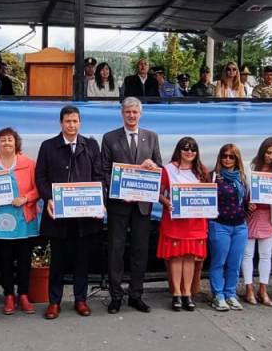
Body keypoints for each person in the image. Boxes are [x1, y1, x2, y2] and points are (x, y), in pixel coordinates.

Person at [35, 106, 104, 319]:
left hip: (84, 216)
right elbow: (40, 177)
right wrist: (49, 198)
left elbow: (99, 176)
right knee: (57, 261)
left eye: (75, 121)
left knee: (82, 260)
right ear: (61, 123)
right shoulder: (48, 146)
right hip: (58, 216)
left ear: (80, 123)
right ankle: (54, 302)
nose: (71, 125)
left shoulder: (90, 145)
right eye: (67, 121)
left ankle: (80, 300)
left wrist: (99, 201)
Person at [101, 97, 162, 314]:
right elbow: (104, 171)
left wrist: (153, 166)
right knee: (116, 251)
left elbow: (159, 168)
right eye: (128, 112)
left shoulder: (152, 137)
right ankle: (116, 296)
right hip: (119, 204)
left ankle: (136, 295)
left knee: (140, 251)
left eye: (135, 112)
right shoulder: (109, 138)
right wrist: (119, 191)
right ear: (122, 114)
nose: (131, 115)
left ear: (140, 114)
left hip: (142, 205)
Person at [0, 127, 40, 315]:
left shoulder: (29, 163)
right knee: (4, 260)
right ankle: (8, 295)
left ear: (16, 143)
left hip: (24, 218)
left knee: (24, 259)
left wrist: (26, 198)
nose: (7, 143)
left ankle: (23, 295)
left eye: (10, 139)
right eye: (3, 140)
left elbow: (39, 188)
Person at [156, 137, 208, 311]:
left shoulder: (201, 170)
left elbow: (208, 194)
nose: (189, 152)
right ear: (179, 150)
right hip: (175, 222)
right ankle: (176, 293)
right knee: (176, 257)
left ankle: (187, 293)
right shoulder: (168, 169)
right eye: (186, 149)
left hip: (195, 222)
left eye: (193, 149)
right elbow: (158, 192)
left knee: (190, 257)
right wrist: (167, 202)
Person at [241, 137, 272, 307]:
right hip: (251, 216)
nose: (270, 156)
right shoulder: (248, 167)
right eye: (268, 152)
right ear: (262, 151)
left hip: (269, 216)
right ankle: (249, 289)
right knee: (247, 254)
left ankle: (263, 290)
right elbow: (241, 190)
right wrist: (246, 202)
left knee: (266, 255)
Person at [208, 143, 250, 311]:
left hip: (240, 226)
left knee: (234, 263)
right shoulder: (213, 177)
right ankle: (218, 295)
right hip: (220, 225)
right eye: (224, 156)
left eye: (231, 156)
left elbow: (245, 201)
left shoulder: (242, 178)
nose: (227, 159)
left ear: (236, 159)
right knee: (219, 262)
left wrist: (249, 206)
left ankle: (230, 294)